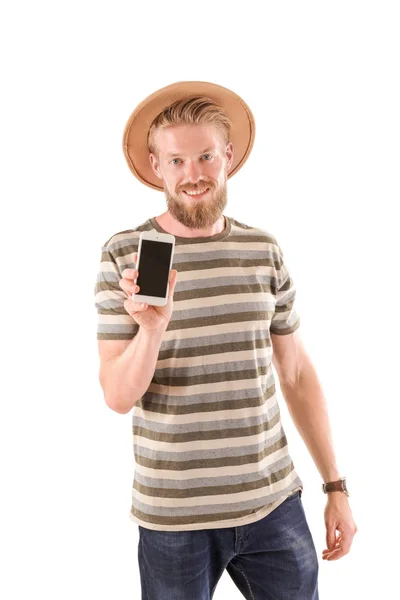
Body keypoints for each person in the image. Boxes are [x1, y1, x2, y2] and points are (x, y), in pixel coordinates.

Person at [94, 81, 357, 600]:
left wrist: (336, 487)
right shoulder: (127, 254)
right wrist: (151, 330)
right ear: (156, 166)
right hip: (174, 517)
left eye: (205, 157)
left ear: (228, 157)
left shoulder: (263, 249)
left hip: (274, 506)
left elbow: (297, 374)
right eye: (176, 161)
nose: (193, 176)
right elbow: (117, 396)